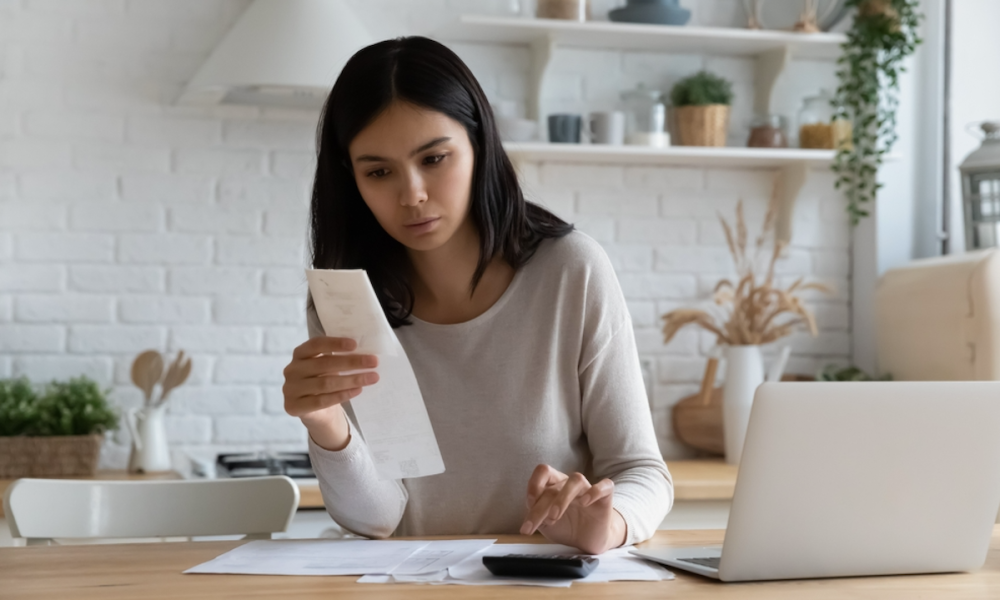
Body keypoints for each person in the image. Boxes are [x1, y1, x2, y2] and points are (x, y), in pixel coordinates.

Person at [282, 36, 672, 554]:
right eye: (378, 172)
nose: (412, 193)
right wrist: (326, 425)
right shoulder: (347, 305)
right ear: (351, 180)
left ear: (479, 145)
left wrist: (609, 524)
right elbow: (379, 520)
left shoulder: (570, 272)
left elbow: (641, 471)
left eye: (435, 158)